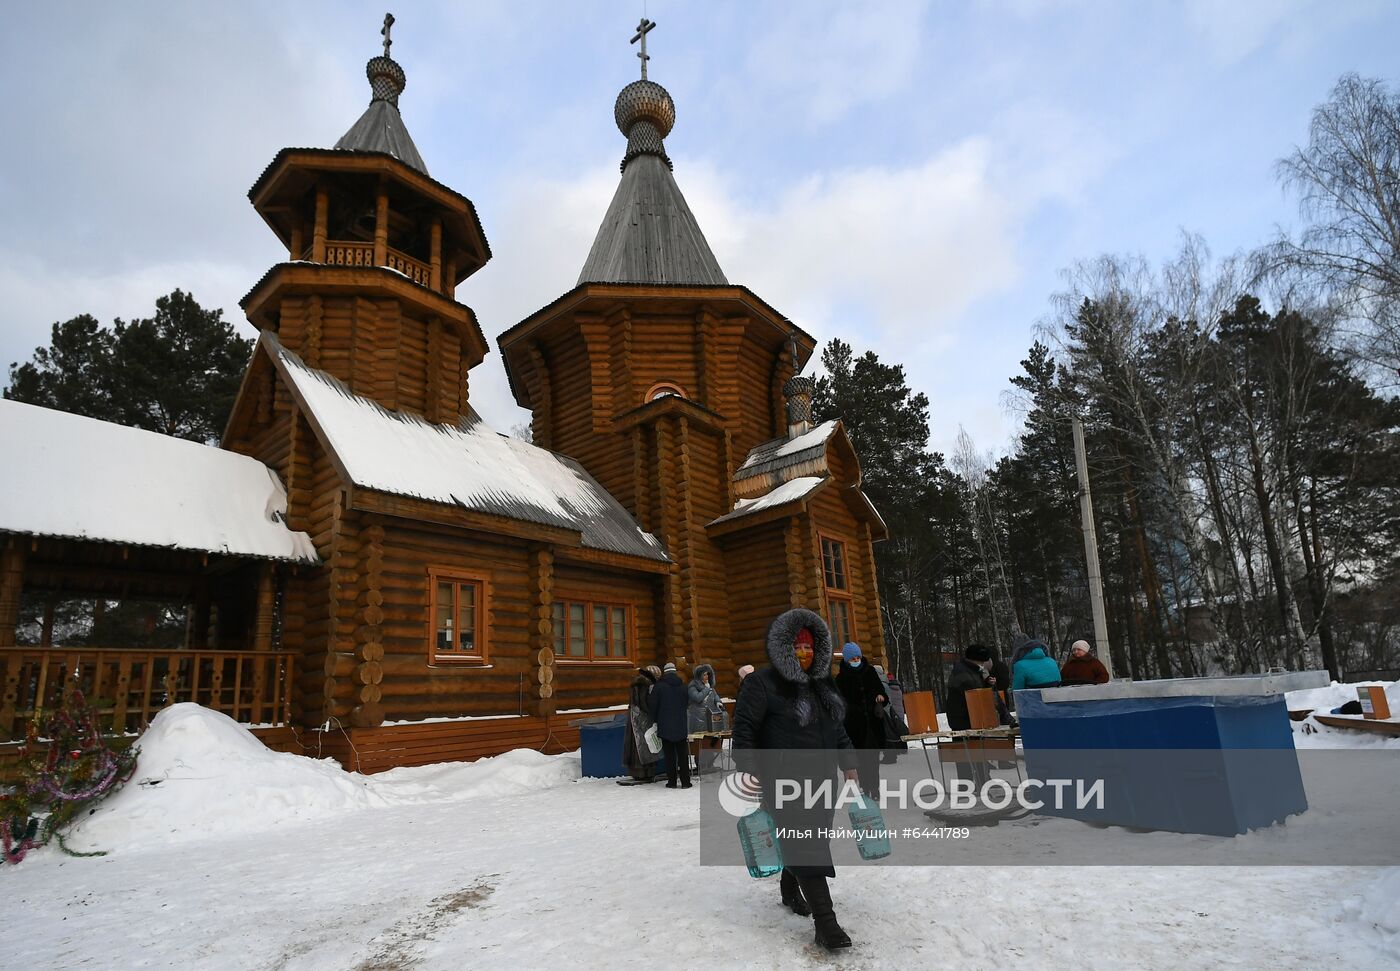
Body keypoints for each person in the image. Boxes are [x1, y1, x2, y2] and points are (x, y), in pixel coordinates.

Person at [733, 608, 859, 951]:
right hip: (782, 780)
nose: (804, 654)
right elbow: (743, 729)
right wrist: (749, 769)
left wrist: (848, 763)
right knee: (807, 843)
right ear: (783, 649)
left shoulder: (823, 684)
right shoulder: (762, 683)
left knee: (811, 840)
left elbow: (838, 729)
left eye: (810, 648)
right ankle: (827, 925)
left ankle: (790, 890)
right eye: (798, 647)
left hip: (822, 781)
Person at [835, 642, 886, 796]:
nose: (856, 660)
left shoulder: (869, 671)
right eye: (852, 658)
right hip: (854, 725)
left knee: (873, 758)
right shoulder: (841, 678)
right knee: (860, 759)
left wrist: (881, 696)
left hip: (872, 722)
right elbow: (839, 701)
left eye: (858, 657)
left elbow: (880, 690)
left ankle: (875, 787)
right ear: (846, 660)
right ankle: (866, 786)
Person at [944, 644, 995, 789]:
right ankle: (969, 785)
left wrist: (986, 683)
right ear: (976, 660)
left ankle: (980, 782)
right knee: (966, 754)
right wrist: (985, 685)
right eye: (981, 662)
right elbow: (974, 694)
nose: (983, 665)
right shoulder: (964, 673)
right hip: (963, 718)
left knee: (973, 752)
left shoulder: (970, 670)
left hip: (968, 717)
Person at [648, 661, 691, 788]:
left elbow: (653, 706)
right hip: (681, 725)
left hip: (665, 725)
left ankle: (672, 782)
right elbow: (687, 703)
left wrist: (655, 720)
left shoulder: (659, 687)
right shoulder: (683, 686)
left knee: (669, 756)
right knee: (683, 755)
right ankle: (685, 782)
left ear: (665, 673)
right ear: (675, 671)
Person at [622, 664, 662, 782]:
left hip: (635, 718)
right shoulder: (645, 685)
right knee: (643, 746)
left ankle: (639, 772)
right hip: (641, 720)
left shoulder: (638, 683)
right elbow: (645, 703)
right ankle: (644, 772)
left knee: (639, 746)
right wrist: (654, 711)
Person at [688, 662, 728, 769]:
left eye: (708, 674)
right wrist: (706, 688)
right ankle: (700, 765)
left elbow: (715, 696)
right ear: (699, 675)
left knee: (710, 742)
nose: (707, 677)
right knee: (699, 743)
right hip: (697, 720)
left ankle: (710, 764)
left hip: (710, 720)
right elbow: (697, 698)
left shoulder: (710, 687)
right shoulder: (693, 686)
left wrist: (718, 702)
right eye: (704, 674)